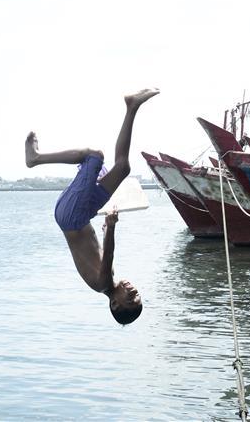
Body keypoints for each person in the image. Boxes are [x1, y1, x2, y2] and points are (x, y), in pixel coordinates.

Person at [24, 88, 159, 324]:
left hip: (73, 217)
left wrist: (112, 227)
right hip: (81, 216)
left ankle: (35, 158)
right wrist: (106, 229)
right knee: (122, 168)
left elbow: (108, 255)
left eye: (130, 297)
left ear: (115, 303)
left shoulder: (103, 283)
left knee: (94, 156)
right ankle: (131, 107)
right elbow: (100, 253)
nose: (132, 290)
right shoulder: (108, 280)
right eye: (137, 293)